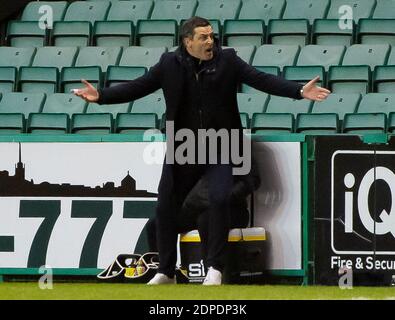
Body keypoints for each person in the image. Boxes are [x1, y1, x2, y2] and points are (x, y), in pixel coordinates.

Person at [73, 16, 330, 285]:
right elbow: (138, 87)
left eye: (211, 36)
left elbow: (262, 80)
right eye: (203, 37)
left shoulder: (227, 61)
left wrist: (299, 91)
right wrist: (101, 96)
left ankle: (215, 269)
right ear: (188, 42)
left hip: (222, 146)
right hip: (182, 148)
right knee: (164, 206)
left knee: (218, 198)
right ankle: (166, 271)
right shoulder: (168, 64)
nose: (210, 42)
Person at [146, 160, 261, 254]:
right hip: (194, 207)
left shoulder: (236, 140)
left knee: (206, 220)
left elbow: (253, 179)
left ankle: (212, 271)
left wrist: (224, 197)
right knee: (155, 224)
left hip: (231, 209)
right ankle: (161, 270)